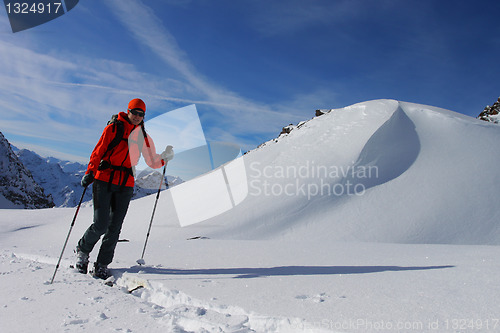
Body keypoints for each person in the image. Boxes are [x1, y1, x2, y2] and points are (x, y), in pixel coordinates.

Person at [75, 98, 174, 279]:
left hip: (126, 183)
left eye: (141, 114)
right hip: (104, 179)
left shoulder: (143, 136)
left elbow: (151, 160)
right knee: (101, 224)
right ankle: (82, 250)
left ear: (144, 116)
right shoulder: (113, 128)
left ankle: (102, 264)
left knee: (115, 228)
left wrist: (164, 158)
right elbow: (98, 151)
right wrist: (90, 171)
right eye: (134, 112)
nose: (137, 116)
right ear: (128, 111)